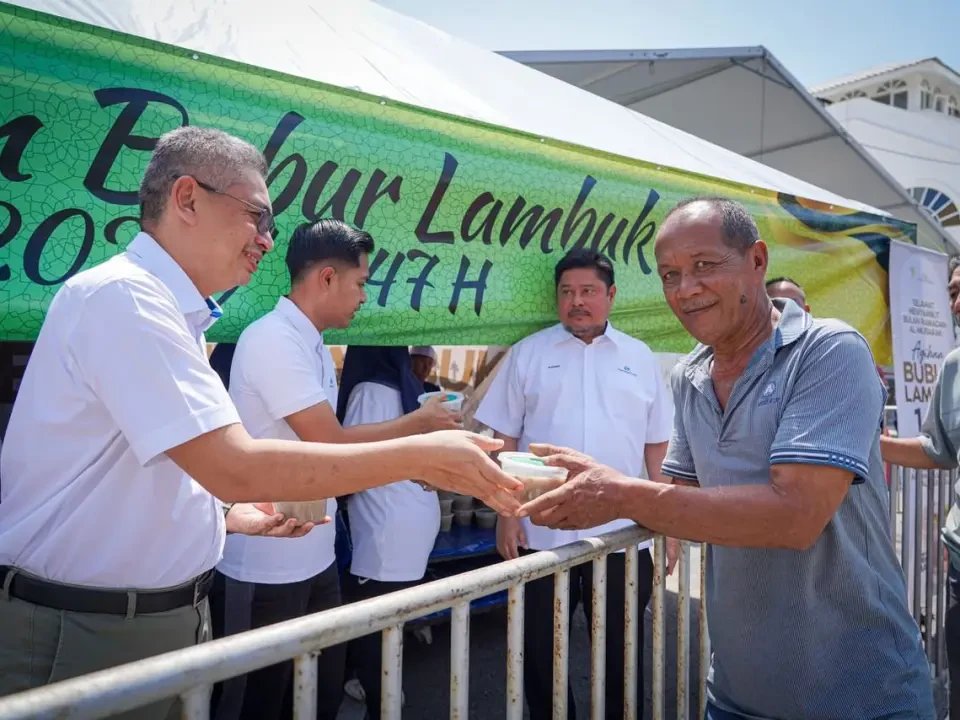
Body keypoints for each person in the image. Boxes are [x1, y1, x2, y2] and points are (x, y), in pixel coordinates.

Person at [0, 126, 521, 720]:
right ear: (188, 198)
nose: (268, 241)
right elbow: (233, 464)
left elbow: (159, 466)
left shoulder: (175, 313)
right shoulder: (127, 299)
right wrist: (425, 451)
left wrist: (226, 516)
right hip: (86, 627)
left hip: (141, 618)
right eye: (257, 217)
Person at [521, 197, 934, 720]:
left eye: (704, 266)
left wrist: (618, 493)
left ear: (757, 261)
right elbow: (681, 502)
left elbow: (796, 516)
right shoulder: (689, 376)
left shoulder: (828, 351)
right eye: (670, 275)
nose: (685, 289)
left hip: (863, 695)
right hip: (737, 696)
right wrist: (576, 483)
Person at [210, 220, 461, 720]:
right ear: (327, 277)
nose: (364, 297)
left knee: (317, 695)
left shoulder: (314, 344)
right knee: (257, 701)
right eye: (361, 282)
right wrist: (418, 428)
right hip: (265, 562)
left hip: (314, 553)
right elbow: (328, 443)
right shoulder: (273, 340)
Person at [474, 248, 676, 720]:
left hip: (623, 534)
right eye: (567, 292)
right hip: (541, 530)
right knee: (541, 650)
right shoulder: (529, 353)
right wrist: (506, 515)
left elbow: (657, 449)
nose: (576, 302)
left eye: (587, 291)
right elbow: (502, 443)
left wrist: (669, 522)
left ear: (611, 296)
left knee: (622, 651)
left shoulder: (639, 357)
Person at [337, 346, 444, 719]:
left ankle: (383, 702)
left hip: (387, 531)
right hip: (413, 520)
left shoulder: (369, 390)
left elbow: (347, 461)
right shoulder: (411, 389)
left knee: (371, 628)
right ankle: (388, 692)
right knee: (391, 621)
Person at [880, 254, 960, 719]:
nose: (956, 303)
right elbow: (937, 449)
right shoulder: (952, 368)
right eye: (952, 291)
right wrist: (869, 444)